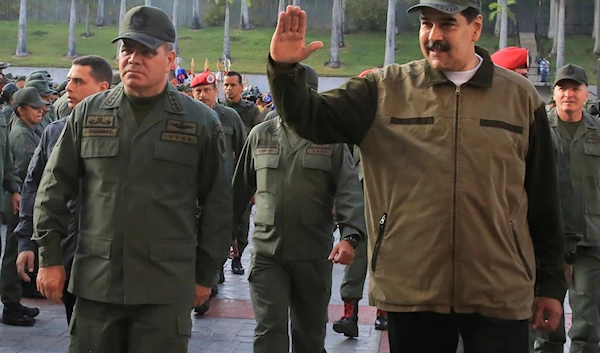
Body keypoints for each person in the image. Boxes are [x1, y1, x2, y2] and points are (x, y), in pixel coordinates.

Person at [267, 3, 566, 353]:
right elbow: (309, 119)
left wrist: (551, 284)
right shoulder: (383, 89)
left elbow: (543, 197)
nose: (434, 36)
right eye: (427, 24)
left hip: (500, 287)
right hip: (411, 286)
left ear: (475, 27)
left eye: (447, 24)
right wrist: (285, 70)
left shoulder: (520, 97)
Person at [33, 5, 232, 353]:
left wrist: (205, 275)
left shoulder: (200, 122)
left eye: (146, 51)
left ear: (170, 59)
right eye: (127, 49)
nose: (133, 59)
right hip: (97, 285)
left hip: (165, 289)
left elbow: (218, 203)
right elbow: (53, 188)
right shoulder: (89, 113)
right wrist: (49, 257)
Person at [233, 63, 366, 353]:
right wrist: (227, 236)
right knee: (269, 331)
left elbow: (349, 191)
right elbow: (238, 192)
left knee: (310, 333)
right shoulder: (260, 135)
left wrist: (349, 237)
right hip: (268, 254)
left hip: (312, 254)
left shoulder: (332, 140)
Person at [15, 55, 112, 325]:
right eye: (69, 80)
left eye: (78, 81)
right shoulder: (55, 133)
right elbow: (34, 188)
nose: (68, 87)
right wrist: (27, 241)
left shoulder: (126, 134)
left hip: (112, 258)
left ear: (102, 88)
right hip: (69, 250)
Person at [533, 64, 596, 353]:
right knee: (546, 317)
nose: (568, 94)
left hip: (591, 238)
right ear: (553, 94)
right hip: (548, 239)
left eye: (575, 88)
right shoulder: (538, 130)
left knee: (588, 321)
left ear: (586, 95)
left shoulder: (598, 132)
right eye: (562, 88)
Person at [333, 67, 388, 338]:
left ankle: (384, 311)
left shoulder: (397, 126)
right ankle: (349, 313)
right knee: (356, 261)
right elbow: (339, 170)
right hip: (359, 206)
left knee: (387, 261)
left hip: (390, 208)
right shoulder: (349, 128)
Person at [189, 67, 246, 303]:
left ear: (215, 91)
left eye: (206, 90)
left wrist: (247, 189)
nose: (202, 95)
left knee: (220, 229)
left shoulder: (230, 118)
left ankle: (216, 270)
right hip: (193, 189)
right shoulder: (189, 117)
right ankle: (207, 278)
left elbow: (243, 153)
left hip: (224, 186)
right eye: (197, 91)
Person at [1, 87, 48, 326]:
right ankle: (10, 305)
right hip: (18, 202)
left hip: (23, 199)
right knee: (12, 253)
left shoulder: (30, 130)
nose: (41, 110)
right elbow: (22, 172)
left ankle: (17, 297)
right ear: (20, 110)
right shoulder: (20, 135)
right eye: (34, 107)